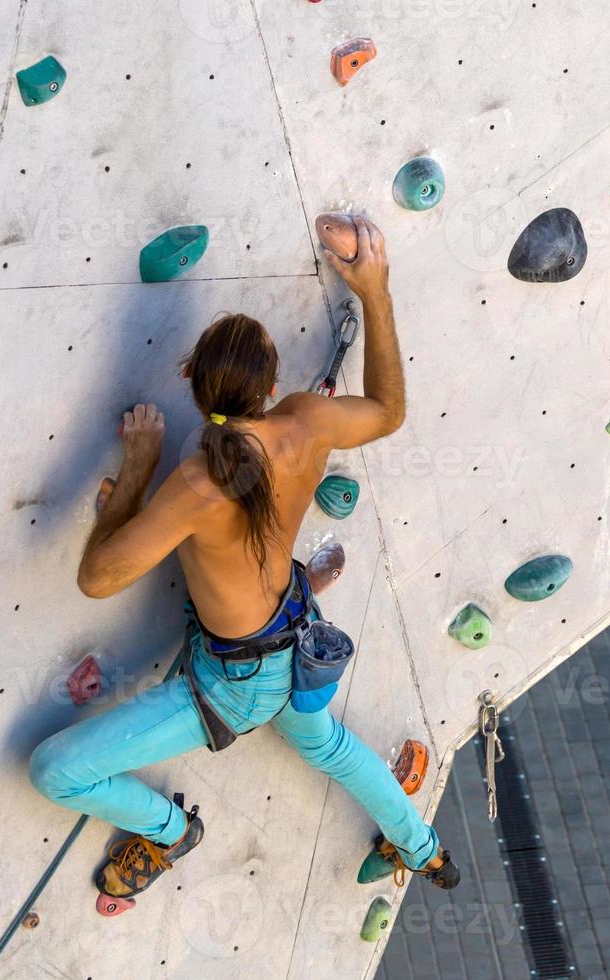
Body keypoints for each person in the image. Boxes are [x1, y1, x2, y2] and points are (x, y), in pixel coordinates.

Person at [29, 217, 457, 904]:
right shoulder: (305, 423)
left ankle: (170, 830)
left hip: (236, 682)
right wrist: (374, 288)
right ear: (272, 385)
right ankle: (424, 849)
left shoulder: (195, 482)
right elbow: (387, 410)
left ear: (188, 376)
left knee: (55, 770)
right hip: (301, 635)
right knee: (329, 748)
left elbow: (97, 576)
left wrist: (138, 468)